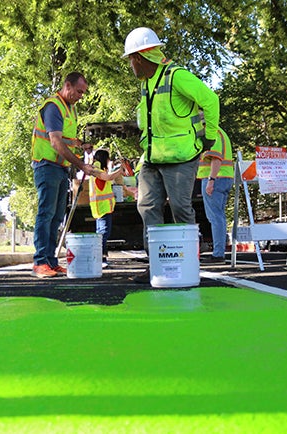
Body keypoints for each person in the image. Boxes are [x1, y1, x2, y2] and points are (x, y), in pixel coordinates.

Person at [122, 27, 220, 282]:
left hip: (181, 157)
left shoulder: (177, 76)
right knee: (147, 206)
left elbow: (210, 100)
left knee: (180, 208)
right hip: (153, 158)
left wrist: (209, 136)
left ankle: (188, 263)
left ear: (140, 58)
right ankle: (155, 265)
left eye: (131, 59)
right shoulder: (147, 83)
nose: (130, 65)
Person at [31, 72, 95, 278]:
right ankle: (40, 262)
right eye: (78, 91)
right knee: (46, 213)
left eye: (83, 93)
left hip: (59, 168)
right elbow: (55, 142)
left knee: (57, 215)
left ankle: (50, 260)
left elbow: (66, 138)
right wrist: (81, 165)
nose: (80, 96)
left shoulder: (70, 109)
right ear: (67, 85)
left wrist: (80, 145)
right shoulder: (53, 107)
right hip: (47, 166)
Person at [197, 128, 234, 262]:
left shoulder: (211, 134)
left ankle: (218, 254)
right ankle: (220, 251)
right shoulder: (221, 132)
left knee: (215, 217)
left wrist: (211, 180)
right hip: (225, 177)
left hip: (216, 178)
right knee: (219, 216)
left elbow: (216, 158)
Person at [89, 149, 125, 265]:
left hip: (104, 206)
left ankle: (102, 257)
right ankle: (101, 259)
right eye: (108, 158)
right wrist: (119, 170)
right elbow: (107, 177)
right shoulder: (96, 168)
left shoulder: (98, 168)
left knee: (103, 233)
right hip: (102, 207)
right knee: (103, 233)